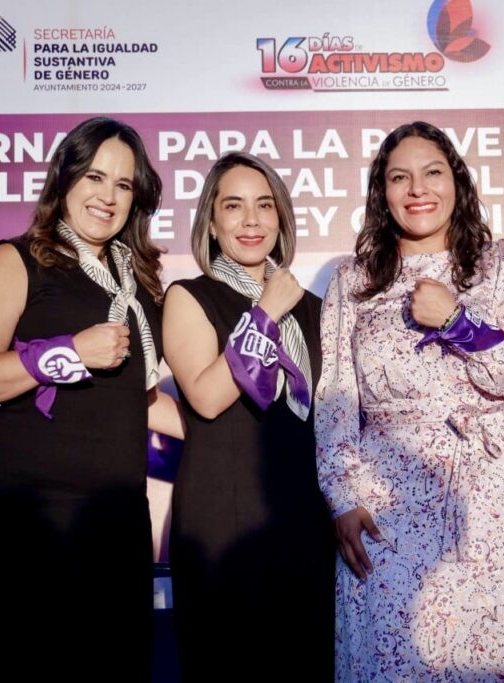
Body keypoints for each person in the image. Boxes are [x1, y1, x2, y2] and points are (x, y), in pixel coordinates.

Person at [315, 121, 504, 681]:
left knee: (500, 657)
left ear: (457, 182)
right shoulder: (352, 281)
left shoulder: (499, 262)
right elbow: (335, 400)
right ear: (382, 193)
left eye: (433, 172)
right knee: (398, 656)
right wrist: (342, 497)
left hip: (495, 489)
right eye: (400, 177)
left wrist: (457, 322)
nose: (418, 189)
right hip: (387, 496)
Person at [0, 117, 182, 682]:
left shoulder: (139, 285)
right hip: (26, 510)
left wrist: (238, 436)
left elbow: (138, 397)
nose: (108, 196)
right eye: (94, 176)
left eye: (123, 184)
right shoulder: (18, 258)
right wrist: (68, 351)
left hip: (114, 513)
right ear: (65, 178)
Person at [162, 152, 334, 680]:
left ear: (281, 217)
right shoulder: (190, 297)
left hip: (303, 516)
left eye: (264, 205)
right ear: (211, 223)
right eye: (234, 206)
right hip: (223, 519)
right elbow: (207, 397)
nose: (252, 220)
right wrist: (265, 312)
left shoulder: (314, 308)